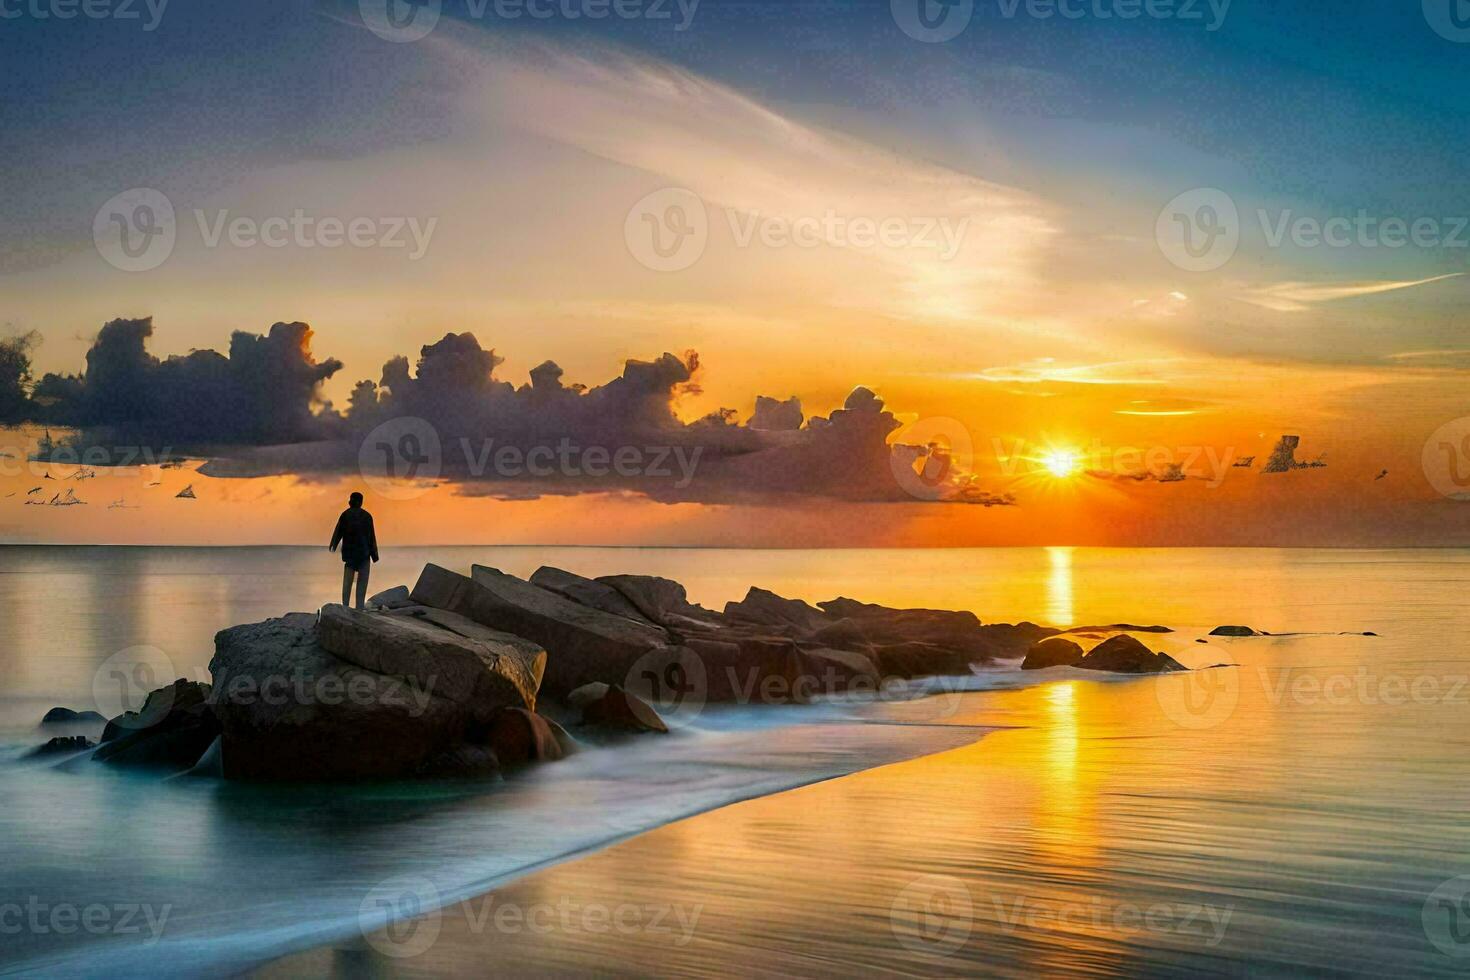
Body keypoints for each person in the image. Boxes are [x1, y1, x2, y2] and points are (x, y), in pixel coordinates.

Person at [329, 491, 378, 609]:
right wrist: (374, 555)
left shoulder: (345, 515)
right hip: (363, 554)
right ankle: (359, 607)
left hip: (350, 555)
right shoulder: (367, 516)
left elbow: (338, 532)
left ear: (350, 501)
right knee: (361, 583)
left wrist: (333, 545)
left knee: (347, 583)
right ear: (361, 502)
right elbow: (372, 537)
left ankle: (345, 606)